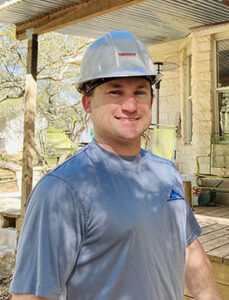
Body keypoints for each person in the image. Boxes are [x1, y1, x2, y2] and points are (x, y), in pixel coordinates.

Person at [10, 31, 222, 300]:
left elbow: (190, 250)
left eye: (139, 92)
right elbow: (31, 296)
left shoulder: (166, 172)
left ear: (151, 101)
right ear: (88, 102)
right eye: (116, 92)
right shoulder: (61, 191)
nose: (131, 105)